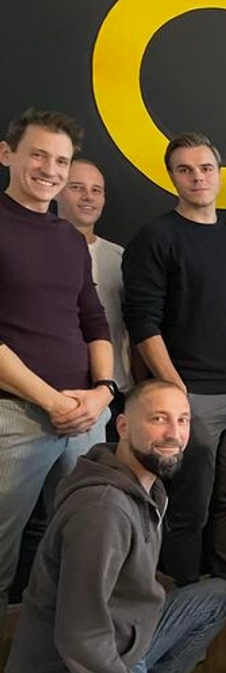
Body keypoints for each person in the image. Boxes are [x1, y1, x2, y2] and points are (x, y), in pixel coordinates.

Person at [3, 380, 226, 673]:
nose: (174, 433)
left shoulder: (143, 484)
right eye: (159, 419)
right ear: (124, 426)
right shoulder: (103, 511)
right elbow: (79, 636)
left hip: (117, 652)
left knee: (216, 597)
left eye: (182, 420)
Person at [123, 132, 226, 584]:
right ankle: (184, 596)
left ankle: (223, 595)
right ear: (171, 177)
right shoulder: (155, 237)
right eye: (185, 170)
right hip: (193, 397)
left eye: (205, 168)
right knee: (188, 507)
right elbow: (143, 323)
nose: (197, 178)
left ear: (219, 174)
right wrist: (176, 391)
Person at [0, 109, 113, 621]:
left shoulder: (69, 238)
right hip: (16, 417)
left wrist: (104, 391)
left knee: (79, 547)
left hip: (85, 415)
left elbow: (94, 320)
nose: (50, 170)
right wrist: (51, 401)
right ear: (8, 155)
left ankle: (53, 650)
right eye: (38, 156)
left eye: (61, 161)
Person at [56, 157, 132, 437]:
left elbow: (131, 329)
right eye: (77, 187)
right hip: (57, 393)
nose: (88, 196)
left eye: (96, 190)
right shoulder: (33, 252)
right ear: (57, 190)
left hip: (113, 392)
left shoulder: (120, 258)